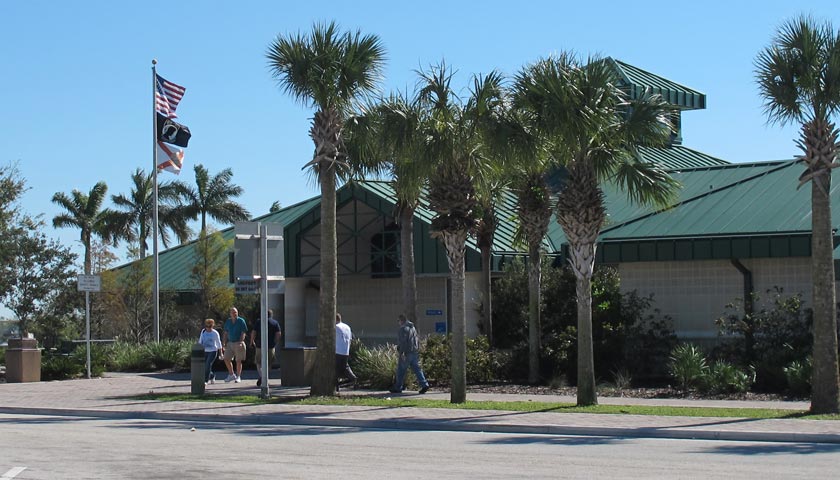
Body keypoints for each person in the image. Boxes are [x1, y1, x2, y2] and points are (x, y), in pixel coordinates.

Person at [391, 314, 430, 394]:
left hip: (406, 352)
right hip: (414, 352)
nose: (398, 323)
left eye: (398, 321)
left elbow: (403, 342)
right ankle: (424, 384)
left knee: (401, 371)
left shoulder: (403, 329)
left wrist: (402, 352)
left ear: (402, 320)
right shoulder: (413, 328)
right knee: (417, 369)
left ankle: (398, 387)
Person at [250, 309, 282, 387]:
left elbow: (254, 332)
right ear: (271, 315)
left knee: (258, 362)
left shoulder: (259, 321)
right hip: (270, 346)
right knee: (269, 363)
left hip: (259, 345)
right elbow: (278, 334)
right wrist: (275, 342)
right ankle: (264, 378)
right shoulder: (275, 323)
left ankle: (261, 376)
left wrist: (252, 341)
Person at [222, 307, 248, 383]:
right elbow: (226, 333)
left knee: (238, 360)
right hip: (230, 343)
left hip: (238, 342)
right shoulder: (228, 321)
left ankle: (238, 376)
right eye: (232, 312)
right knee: (226, 358)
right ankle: (231, 374)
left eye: (235, 312)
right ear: (230, 314)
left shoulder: (241, 321)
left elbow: (243, 332)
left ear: (237, 313)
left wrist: (240, 342)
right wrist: (223, 342)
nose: (234, 314)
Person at [334, 313, 357, 391]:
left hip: (337, 350)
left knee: (335, 370)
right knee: (345, 367)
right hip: (345, 351)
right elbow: (351, 338)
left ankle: (336, 387)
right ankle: (353, 378)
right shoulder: (347, 327)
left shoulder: (335, 327)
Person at [198, 319, 222, 385]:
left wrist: (221, 353)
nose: (208, 328)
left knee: (208, 364)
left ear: (212, 326)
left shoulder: (215, 333)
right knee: (204, 366)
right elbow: (200, 341)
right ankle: (212, 376)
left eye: (210, 326)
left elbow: (219, 343)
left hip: (213, 351)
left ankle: (205, 380)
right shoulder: (203, 332)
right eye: (207, 326)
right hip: (205, 351)